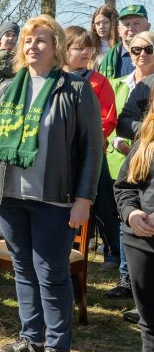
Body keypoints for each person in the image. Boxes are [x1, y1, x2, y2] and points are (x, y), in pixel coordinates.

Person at [0, 15, 102, 352]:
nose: (33, 46)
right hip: (10, 196)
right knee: (23, 269)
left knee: (51, 272)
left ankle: (58, 348)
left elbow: (92, 149)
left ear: (57, 47)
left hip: (54, 197)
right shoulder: (6, 89)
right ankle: (31, 337)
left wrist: (83, 199)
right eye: (28, 41)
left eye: (41, 40)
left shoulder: (75, 90)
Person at [63, 26, 118, 269]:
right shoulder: (54, 78)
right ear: (64, 50)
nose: (86, 53)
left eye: (89, 48)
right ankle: (69, 249)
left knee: (104, 204)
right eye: (79, 48)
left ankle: (113, 253)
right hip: (62, 157)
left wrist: (86, 141)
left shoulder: (98, 81)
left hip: (93, 155)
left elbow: (108, 119)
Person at [107, 31, 154, 298]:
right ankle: (130, 282)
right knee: (132, 213)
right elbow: (123, 123)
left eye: (148, 49)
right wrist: (149, 132)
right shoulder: (142, 86)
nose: (142, 55)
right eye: (136, 50)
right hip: (141, 161)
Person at [113, 105, 154, 352]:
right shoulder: (146, 140)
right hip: (141, 240)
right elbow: (124, 187)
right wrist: (131, 214)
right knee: (149, 312)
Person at [99, 5, 149, 79]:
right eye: (127, 24)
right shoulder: (102, 59)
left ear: (148, 27)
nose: (131, 28)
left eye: (136, 23)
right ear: (119, 30)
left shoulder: (152, 56)